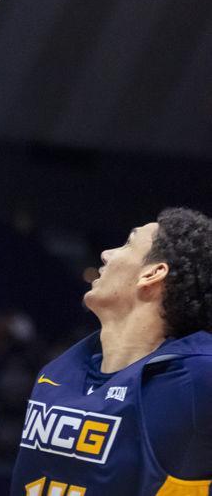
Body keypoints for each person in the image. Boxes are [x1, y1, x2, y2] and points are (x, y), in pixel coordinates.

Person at [11, 208, 212, 496]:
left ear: (153, 273)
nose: (106, 253)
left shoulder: (194, 375)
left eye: (128, 243)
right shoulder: (58, 371)